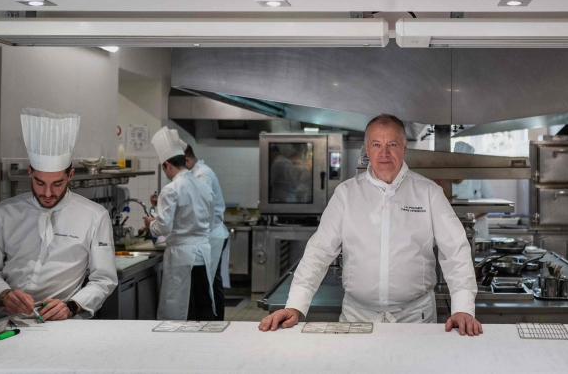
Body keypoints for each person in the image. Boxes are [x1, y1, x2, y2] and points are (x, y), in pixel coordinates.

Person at [259, 114, 481, 336]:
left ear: (404, 147)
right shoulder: (346, 194)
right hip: (357, 317)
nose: (384, 153)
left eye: (392, 144)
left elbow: (456, 251)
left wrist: (463, 308)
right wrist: (295, 304)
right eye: (376, 144)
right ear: (367, 149)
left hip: (415, 318)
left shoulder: (428, 193)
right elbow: (319, 252)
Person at [0, 109, 117, 319]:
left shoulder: (95, 216)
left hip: (63, 323)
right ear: (30, 173)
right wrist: (4, 295)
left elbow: (103, 279)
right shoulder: (4, 213)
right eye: (39, 182)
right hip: (9, 321)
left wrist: (71, 306)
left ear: (70, 175)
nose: (47, 193)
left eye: (57, 183)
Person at [146, 127, 215, 321]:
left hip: (181, 255)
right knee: (202, 304)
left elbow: (163, 228)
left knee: (179, 309)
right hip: (202, 252)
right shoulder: (203, 185)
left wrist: (152, 224)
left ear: (167, 165)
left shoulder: (171, 189)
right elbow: (207, 220)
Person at [184, 144, 230, 318]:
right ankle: (216, 320)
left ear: (187, 160)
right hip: (209, 235)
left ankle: (215, 321)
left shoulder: (203, 174)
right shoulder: (196, 173)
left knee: (209, 284)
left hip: (212, 235)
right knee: (212, 282)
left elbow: (201, 205)